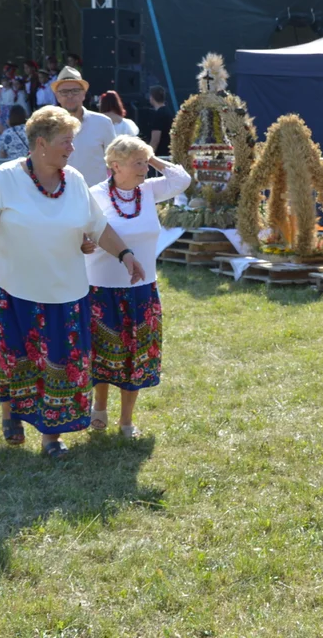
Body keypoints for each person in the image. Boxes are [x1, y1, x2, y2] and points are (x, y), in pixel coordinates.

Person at [0, 106, 146, 458]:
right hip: (13, 288)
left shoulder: (73, 179)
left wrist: (125, 254)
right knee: (15, 357)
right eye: (66, 142)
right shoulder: (5, 177)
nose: (72, 149)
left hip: (66, 291)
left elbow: (98, 227)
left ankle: (51, 436)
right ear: (40, 143)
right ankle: (11, 413)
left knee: (62, 361)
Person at [84, 136, 191, 438]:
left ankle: (127, 421)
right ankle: (99, 409)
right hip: (101, 287)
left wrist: (152, 157)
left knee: (137, 354)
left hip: (143, 289)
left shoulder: (149, 191)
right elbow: (81, 232)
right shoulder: (95, 194)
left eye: (145, 163)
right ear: (115, 166)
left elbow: (181, 179)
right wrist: (84, 244)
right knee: (104, 351)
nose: (144, 169)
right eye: (137, 163)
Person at [52, 66, 116, 186]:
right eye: (64, 92)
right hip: (59, 197)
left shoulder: (103, 123)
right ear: (57, 96)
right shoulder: (48, 126)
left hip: (95, 197)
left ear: (84, 94)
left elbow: (116, 162)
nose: (70, 96)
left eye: (75, 91)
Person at [146, 85, 174, 157]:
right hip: (168, 153)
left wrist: (147, 157)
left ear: (152, 97)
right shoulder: (168, 111)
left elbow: (155, 140)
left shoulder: (159, 115)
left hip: (161, 156)